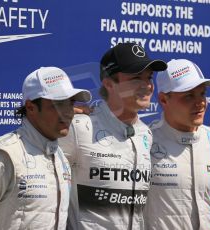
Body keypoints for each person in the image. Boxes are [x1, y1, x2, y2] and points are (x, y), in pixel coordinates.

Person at [0, 67, 91, 230]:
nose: (68, 112)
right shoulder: (0, 155)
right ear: (31, 107)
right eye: (58, 104)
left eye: (71, 103)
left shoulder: (60, 157)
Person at [58, 42, 167, 230]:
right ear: (109, 84)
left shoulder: (145, 134)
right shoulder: (79, 128)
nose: (147, 86)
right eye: (136, 78)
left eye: (149, 77)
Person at [145, 59, 210, 230]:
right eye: (188, 96)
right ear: (163, 100)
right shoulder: (143, 141)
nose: (200, 103)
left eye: (202, 93)